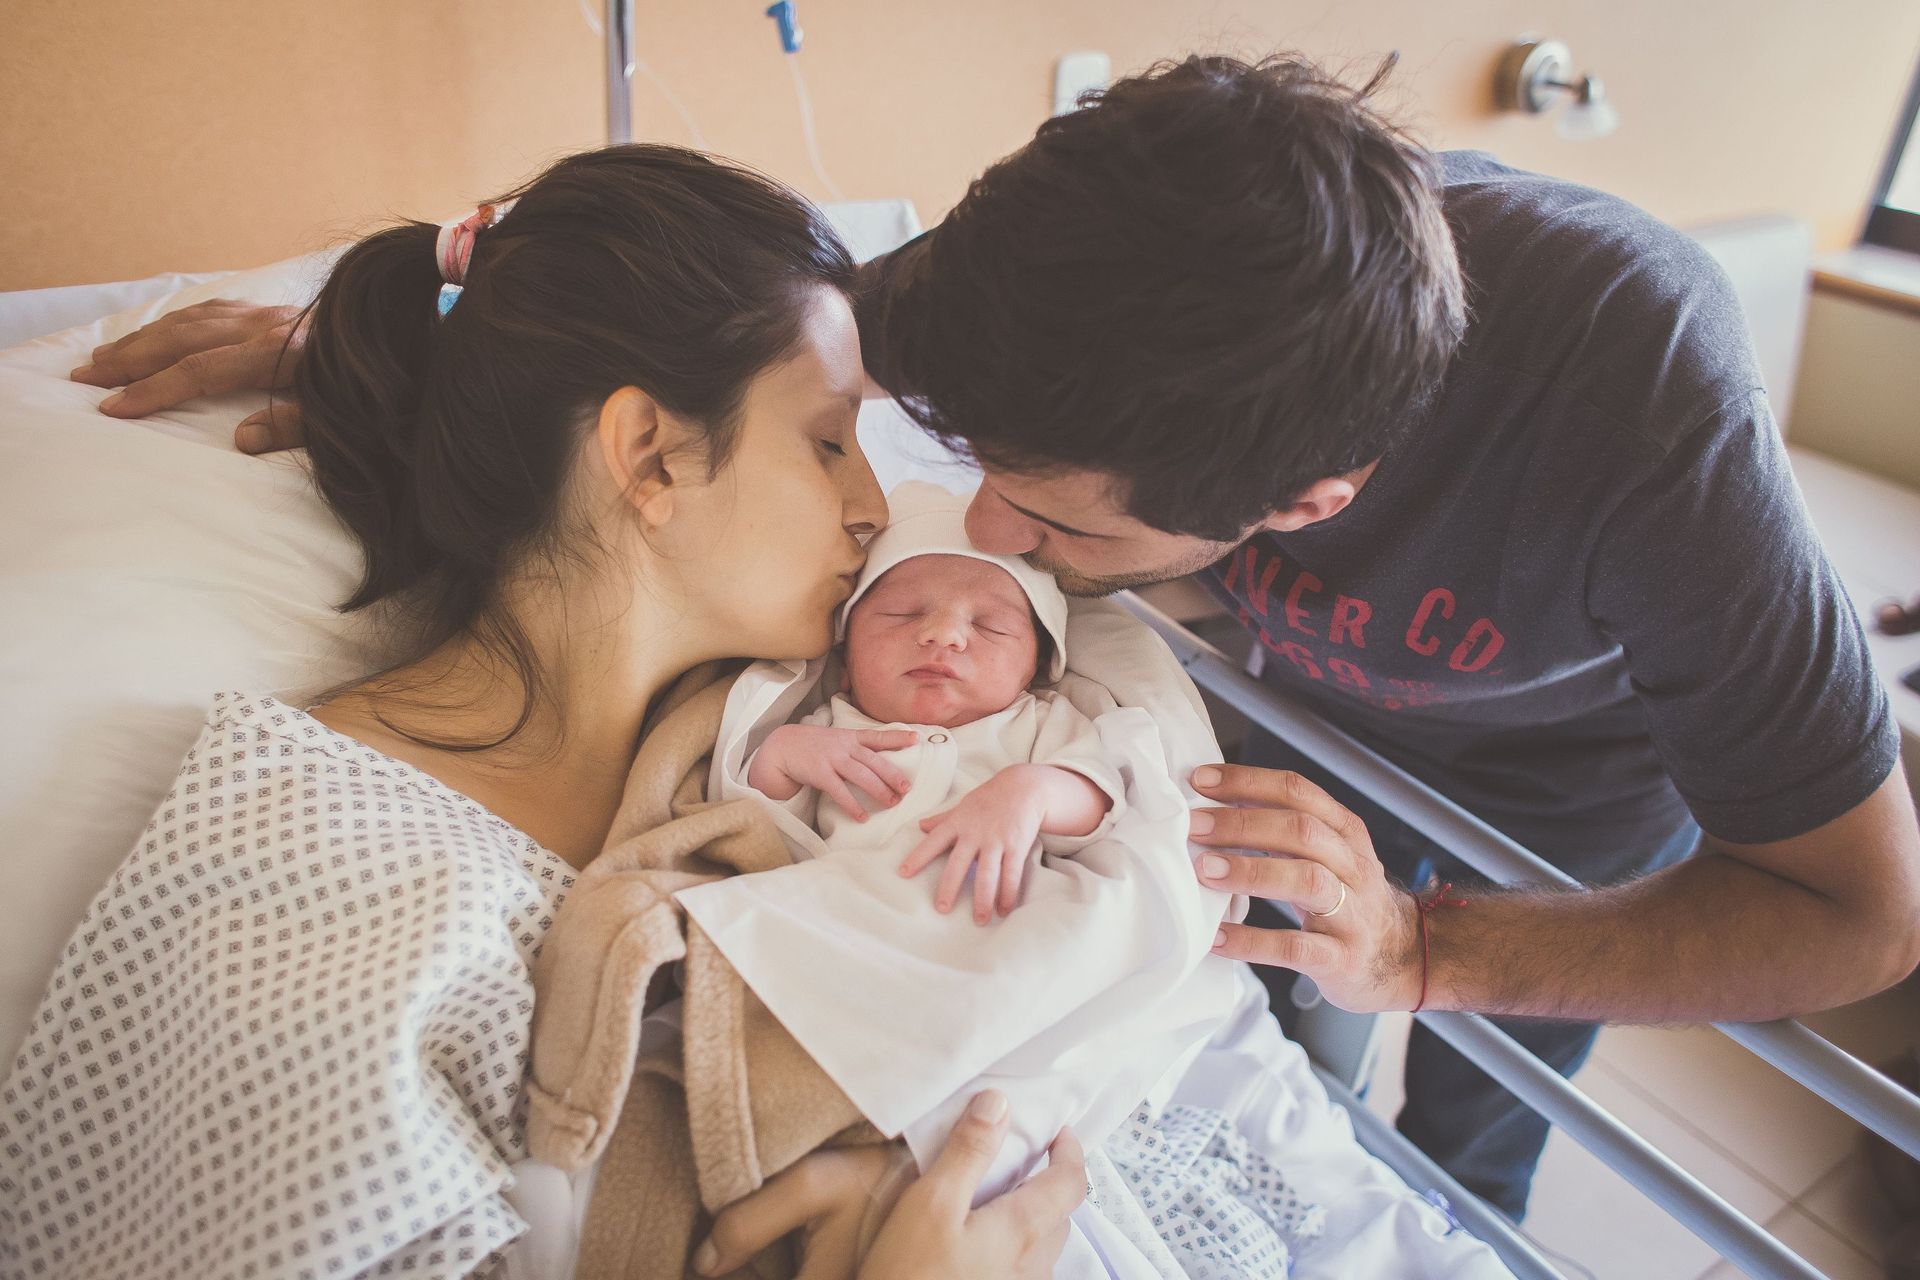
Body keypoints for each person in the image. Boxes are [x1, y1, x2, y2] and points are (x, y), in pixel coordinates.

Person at [76, 53, 1920, 1222]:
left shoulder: (1638, 405)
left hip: (1575, 798)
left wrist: (1433, 950)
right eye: (926, 456)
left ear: (1302, 505)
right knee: (1275, 1004)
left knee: (1447, 1145)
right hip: (1273, 748)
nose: (970, 538)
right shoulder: (1048, 305)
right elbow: (682, 332)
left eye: (1066, 527)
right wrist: (388, 335)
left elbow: (1859, 915)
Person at [16, 144, 1083, 1278]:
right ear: (648, 454)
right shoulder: (323, 877)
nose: (875, 506)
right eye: (827, 442)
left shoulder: (754, 733)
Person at [747, 486, 1119, 923]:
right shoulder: (831, 730)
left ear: (1033, 669)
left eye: (990, 626)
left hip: (987, 929)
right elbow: (762, 828)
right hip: (838, 918)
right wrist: (781, 756)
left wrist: (1031, 791)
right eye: (901, 614)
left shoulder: (1039, 722)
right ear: (845, 659)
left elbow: (1097, 800)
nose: (944, 635)